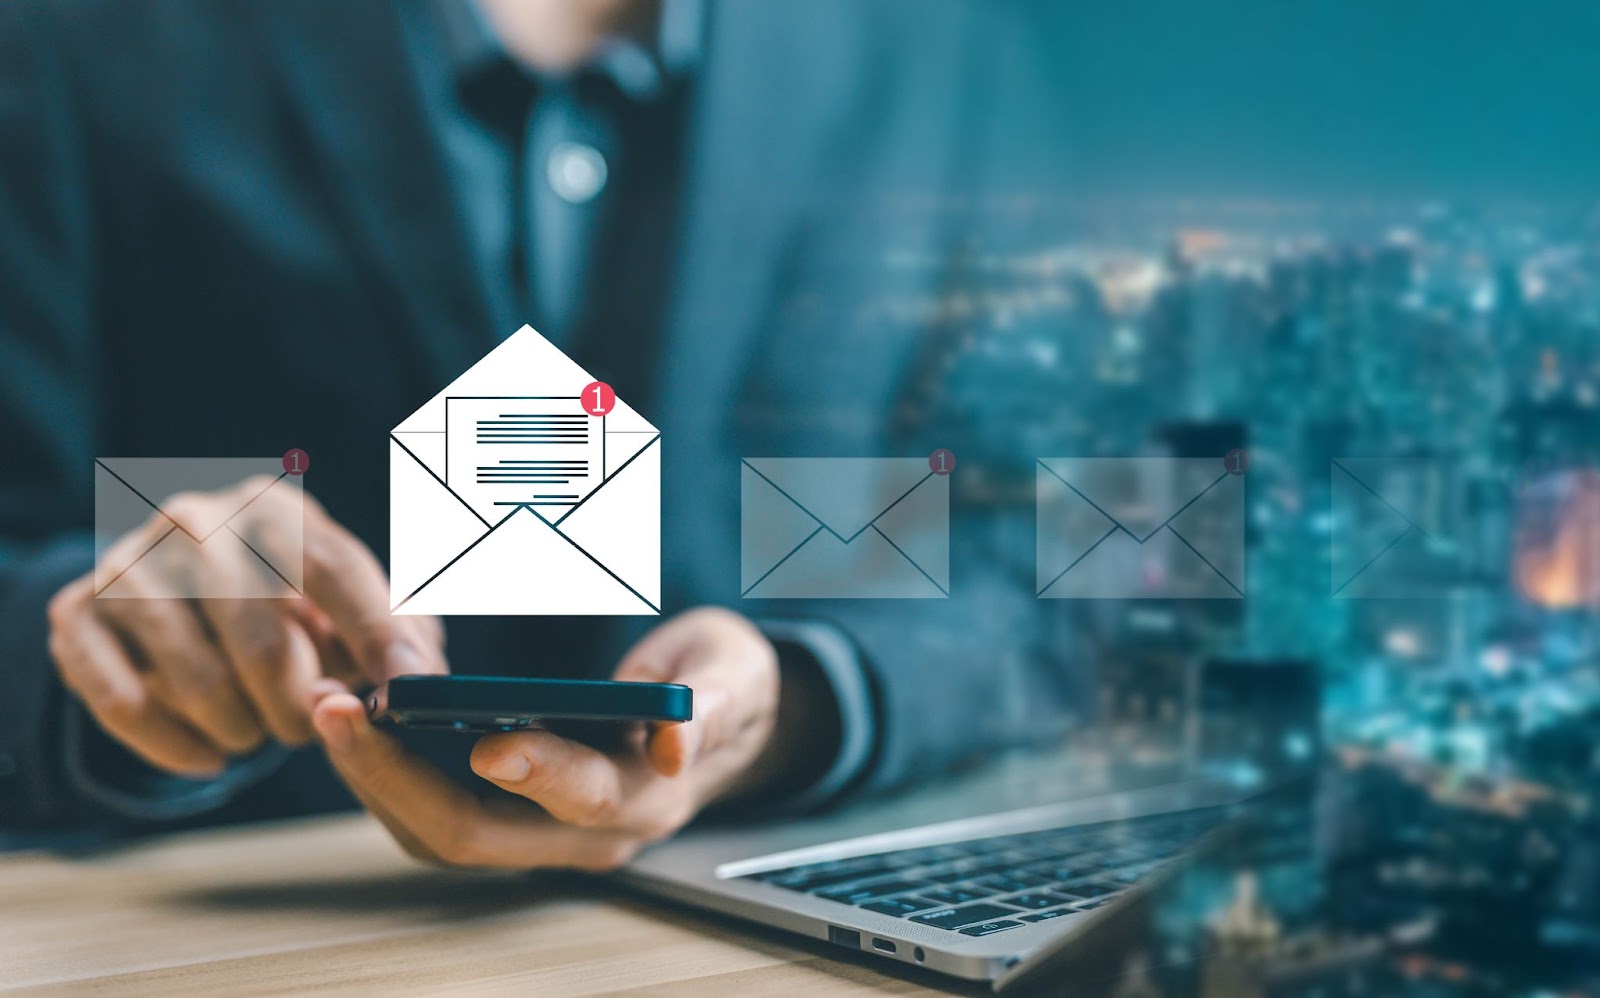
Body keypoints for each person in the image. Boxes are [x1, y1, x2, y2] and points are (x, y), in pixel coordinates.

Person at [0, 0, 1075, 865]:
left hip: (754, 925)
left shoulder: (947, 50)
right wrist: (122, 643)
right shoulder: (67, 36)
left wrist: (806, 698)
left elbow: (1060, 559)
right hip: (254, 931)